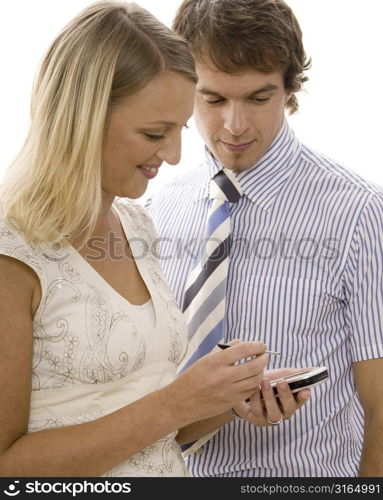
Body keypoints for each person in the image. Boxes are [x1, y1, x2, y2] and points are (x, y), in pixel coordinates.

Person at [0, 0, 309, 477]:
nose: (175, 153)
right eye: (153, 133)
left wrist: (225, 400)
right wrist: (175, 403)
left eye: (180, 129)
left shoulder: (136, 224)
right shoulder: (12, 251)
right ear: (82, 119)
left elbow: (146, 428)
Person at [146, 0, 383, 477]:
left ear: (289, 89)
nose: (234, 125)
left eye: (258, 98)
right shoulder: (154, 210)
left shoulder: (360, 213)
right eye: (213, 100)